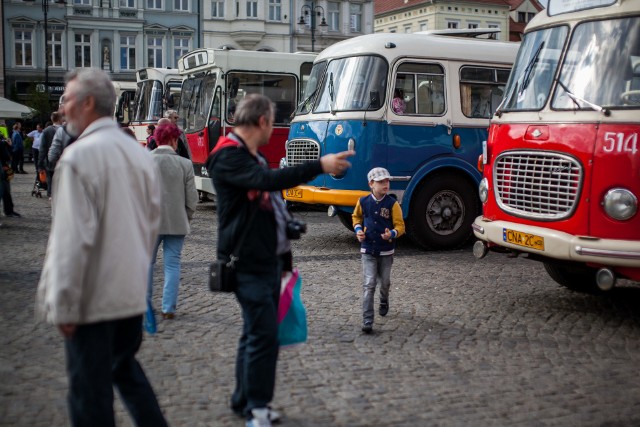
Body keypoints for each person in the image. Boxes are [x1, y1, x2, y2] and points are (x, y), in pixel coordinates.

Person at [207, 94, 353, 427]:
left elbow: (266, 203)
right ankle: (257, 409)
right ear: (261, 122)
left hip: (266, 260)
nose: (273, 131)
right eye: (272, 123)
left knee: (254, 334)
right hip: (246, 263)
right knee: (263, 336)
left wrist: (287, 228)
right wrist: (320, 165)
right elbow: (267, 183)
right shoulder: (229, 156)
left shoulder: (250, 156)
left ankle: (243, 399)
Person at [36, 68, 167, 427]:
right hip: (129, 293)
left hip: (92, 301)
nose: (62, 109)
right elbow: (150, 223)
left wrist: (63, 303)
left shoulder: (79, 159)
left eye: (67, 100)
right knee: (125, 371)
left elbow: (70, 240)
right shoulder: (138, 154)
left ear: (88, 103)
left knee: (90, 397)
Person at [147, 122, 198, 319]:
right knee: (172, 264)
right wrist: (186, 217)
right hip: (177, 221)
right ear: (174, 140)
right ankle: (168, 307)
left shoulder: (145, 161)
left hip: (150, 223)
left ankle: (145, 304)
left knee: (147, 264)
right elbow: (192, 198)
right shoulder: (185, 164)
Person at [352, 167, 405, 334]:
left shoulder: (392, 204)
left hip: (386, 251)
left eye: (387, 181)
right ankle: (367, 319)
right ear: (371, 184)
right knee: (369, 285)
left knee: (385, 283)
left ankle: (384, 300)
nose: (385, 184)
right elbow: (356, 218)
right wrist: (358, 230)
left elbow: (401, 226)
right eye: (381, 181)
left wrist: (393, 233)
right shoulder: (363, 202)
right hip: (367, 250)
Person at [39, 112, 63, 199]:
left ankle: (51, 194)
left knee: (50, 177)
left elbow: (42, 148)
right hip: (63, 159)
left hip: (49, 159)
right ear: (60, 119)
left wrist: (40, 163)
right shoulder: (66, 130)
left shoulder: (46, 131)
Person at [0, 135, 20, 218]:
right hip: (3, 168)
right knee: (5, 190)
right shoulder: (2, 143)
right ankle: (8, 211)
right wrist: (9, 145)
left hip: (3, 168)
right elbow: (7, 156)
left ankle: (9, 210)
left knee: (5, 191)